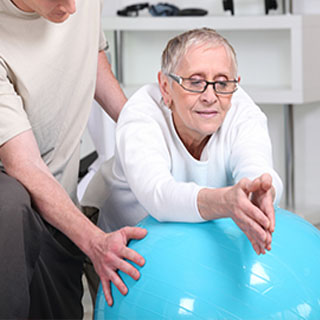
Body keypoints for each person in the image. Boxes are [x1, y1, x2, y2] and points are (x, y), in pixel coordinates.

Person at [0, 0, 147, 319]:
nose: (73, 9)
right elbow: (21, 163)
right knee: (9, 204)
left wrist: (138, 127)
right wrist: (96, 244)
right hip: (13, 200)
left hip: (58, 193)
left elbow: (90, 53)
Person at [82, 28, 283, 258]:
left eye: (222, 82)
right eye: (195, 82)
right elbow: (157, 194)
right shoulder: (141, 114)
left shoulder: (243, 111)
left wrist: (263, 193)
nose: (210, 97)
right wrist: (223, 201)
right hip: (117, 233)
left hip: (187, 236)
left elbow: (257, 168)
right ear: (166, 87)